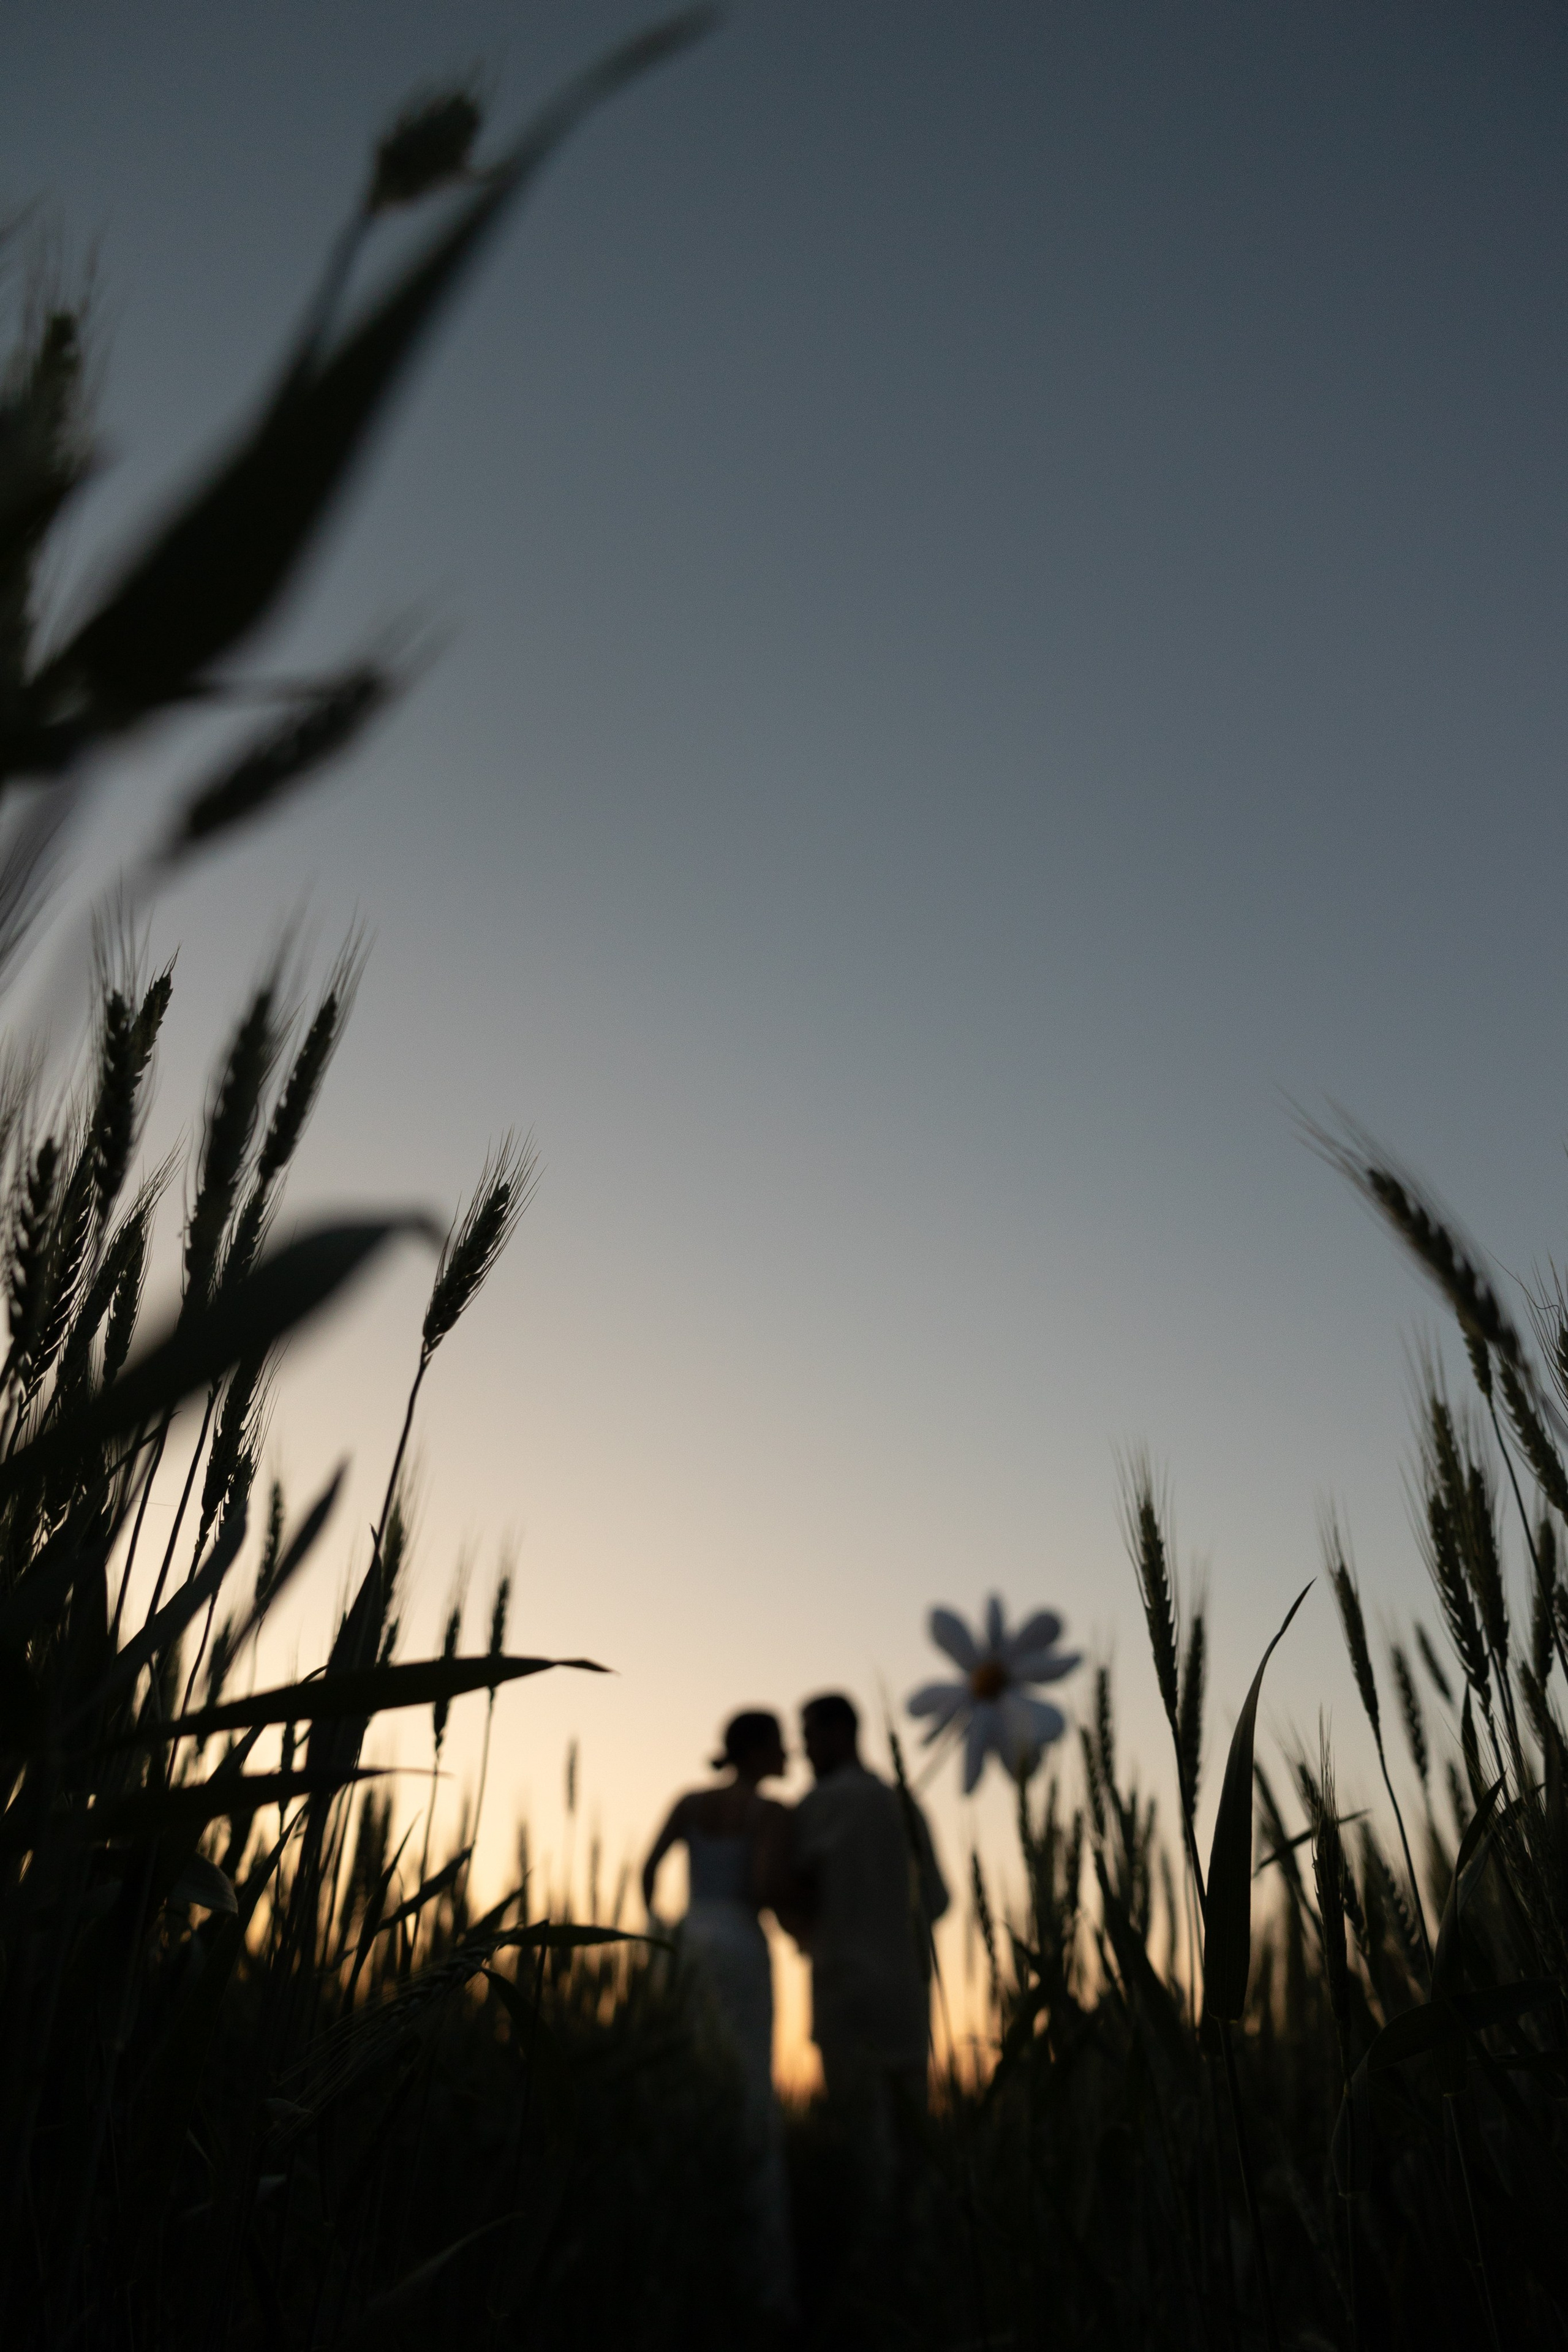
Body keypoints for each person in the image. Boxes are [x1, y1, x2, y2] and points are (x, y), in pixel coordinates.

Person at [760, 1692, 948, 2247]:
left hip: (844, 1996)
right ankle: (921, 2256)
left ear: (842, 1733)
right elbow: (938, 1900)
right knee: (916, 2138)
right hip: (906, 1998)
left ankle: (868, 2262)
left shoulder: (814, 1806)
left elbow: (782, 1894)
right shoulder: (904, 1804)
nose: (804, 1749)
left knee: (857, 2136)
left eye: (811, 1734)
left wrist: (814, 1938)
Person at [641, 1709, 796, 2321]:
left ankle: (677, 2252)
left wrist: (660, 1931)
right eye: (779, 1744)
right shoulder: (771, 1814)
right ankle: (759, 2281)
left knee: (688, 2083)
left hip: (686, 1942)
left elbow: (647, 1869)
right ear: (758, 1750)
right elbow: (762, 1883)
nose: (787, 1754)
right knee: (749, 2091)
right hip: (738, 1941)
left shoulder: (688, 1802)